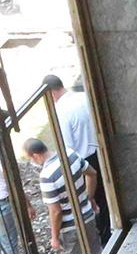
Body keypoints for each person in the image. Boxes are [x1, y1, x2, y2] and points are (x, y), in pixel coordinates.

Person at [22, 135, 99, 254]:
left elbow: (56, 212)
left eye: (30, 158)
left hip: (70, 229)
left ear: (35, 155)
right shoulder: (69, 153)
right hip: (88, 216)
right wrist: (89, 198)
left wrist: (54, 237)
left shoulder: (47, 177)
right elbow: (92, 173)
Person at [42, 75, 110, 244]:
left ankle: (102, 240)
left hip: (82, 161)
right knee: (105, 200)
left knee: (90, 202)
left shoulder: (61, 112)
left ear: (50, 93)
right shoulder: (83, 97)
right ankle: (108, 234)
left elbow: (66, 148)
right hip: (100, 152)